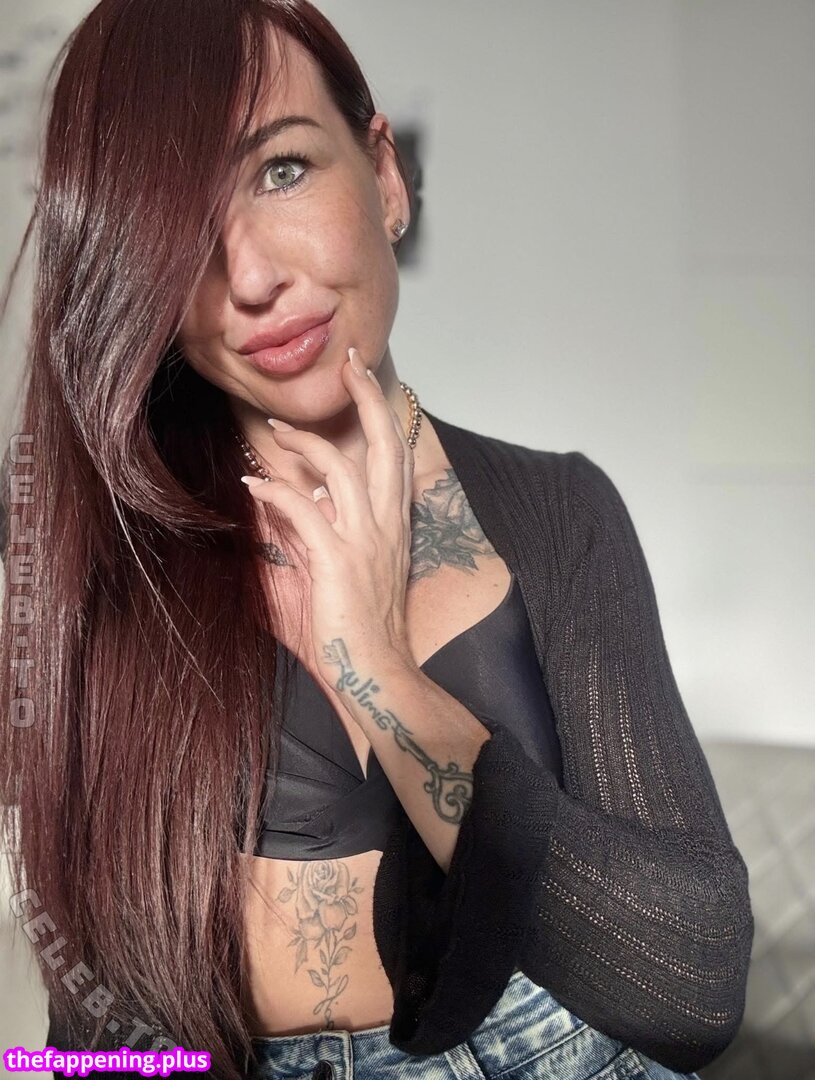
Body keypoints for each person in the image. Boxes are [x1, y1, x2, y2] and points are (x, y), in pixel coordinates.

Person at [0, 1, 754, 1078]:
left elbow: (692, 989)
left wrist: (373, 666)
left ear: (385, 177)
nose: (250, 277)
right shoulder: (104, 560)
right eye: (176, 225)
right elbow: (91, 1032)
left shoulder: (557, 512)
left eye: (280, 171)